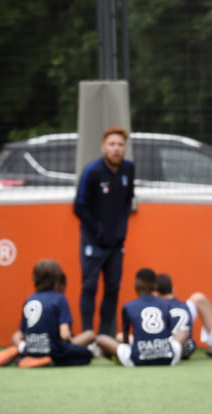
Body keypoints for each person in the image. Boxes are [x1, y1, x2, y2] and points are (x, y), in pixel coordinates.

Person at [73, 125, 135, 336]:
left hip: (116, 243)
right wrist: (98, 230)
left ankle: (104, 337)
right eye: (112, 144)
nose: (116, 149)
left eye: (120, 144)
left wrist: (121, 229)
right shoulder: (93, 171)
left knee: (113, 288)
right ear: (103, 147)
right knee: (89, 287)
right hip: (94, 242)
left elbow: (127, 202)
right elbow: (79, 206)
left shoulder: (128, 169)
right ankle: (88, 335)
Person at [0, 259, 95, 368]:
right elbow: (64, 334)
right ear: (57, 279)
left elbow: (21, 333)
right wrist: (70, 343)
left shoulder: (29, 300)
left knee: (16, 336)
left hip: (30, 349)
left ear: (35, 279)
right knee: (86, 353)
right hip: (53, 351)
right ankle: (49, 360)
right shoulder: (60, 299)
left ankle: (21, 352)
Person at [96, 267, 182, 366]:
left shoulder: (128, 306)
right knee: (183, 332)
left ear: (136, 284)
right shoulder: (166, 305)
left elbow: (125, 340)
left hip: (137, 359)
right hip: (168, 358)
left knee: (101, 338)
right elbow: (169, 333)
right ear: (155, 286)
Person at [155, 273, 196, 360]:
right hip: (189, 346)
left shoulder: (159, 308)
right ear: (173, 290)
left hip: (172, 347)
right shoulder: (185, 305)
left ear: (156, 292)